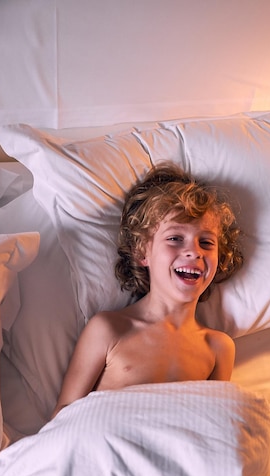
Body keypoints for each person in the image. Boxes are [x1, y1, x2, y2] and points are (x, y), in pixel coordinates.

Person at [50, 162, 243, 419]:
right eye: (175, 238)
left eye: (206, 242)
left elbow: (215, 428)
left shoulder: (218, 348)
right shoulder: (109, 329)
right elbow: (63, 416)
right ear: (142, 252)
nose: (194, 251)